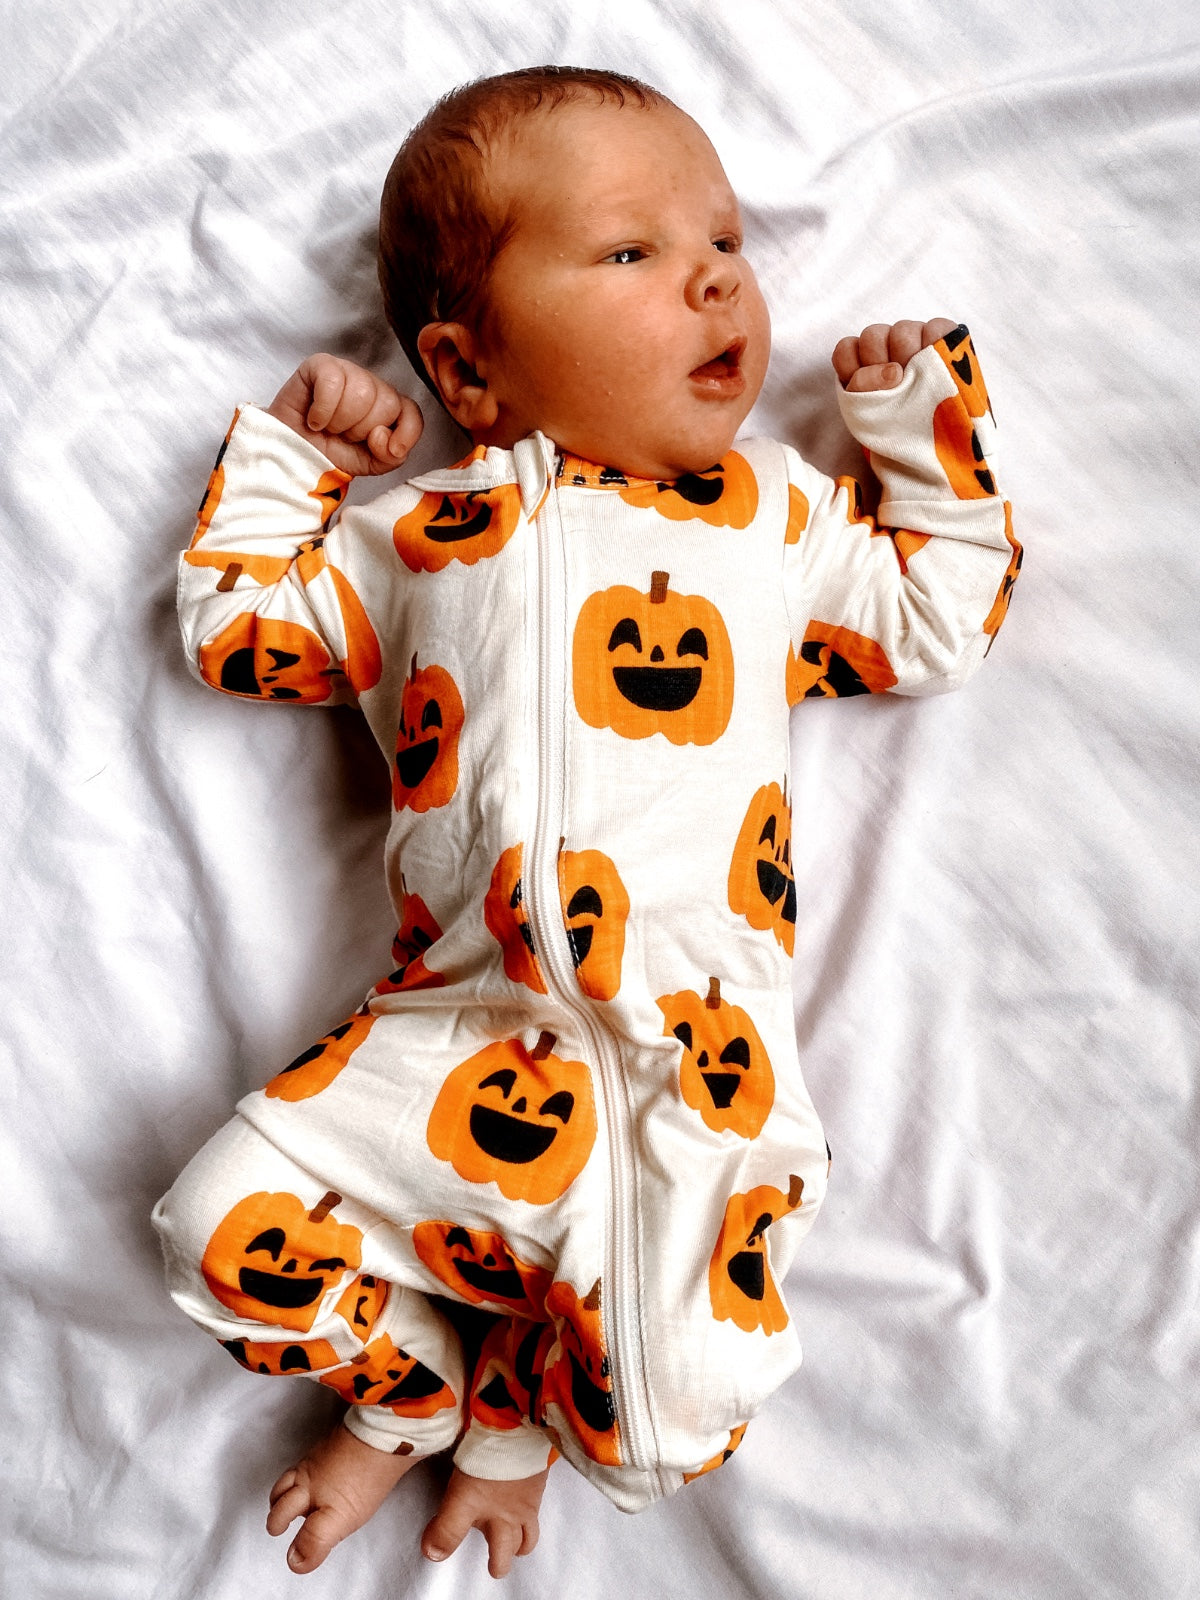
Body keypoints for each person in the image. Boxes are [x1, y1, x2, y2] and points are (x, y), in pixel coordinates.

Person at [152, 65, 1020, 1581]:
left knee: (673, 1426)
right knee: (211, 1231)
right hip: (443, 1038)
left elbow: (934, 615)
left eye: (726, 244)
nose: (709, 277)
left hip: (695, 1058)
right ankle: (412, 1386)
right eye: (631, 253)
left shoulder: (776, 516)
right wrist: (302, 461)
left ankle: (513, 1421)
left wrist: (914, 423)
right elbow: (238, 630)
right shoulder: (415, 536)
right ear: (466, 369)